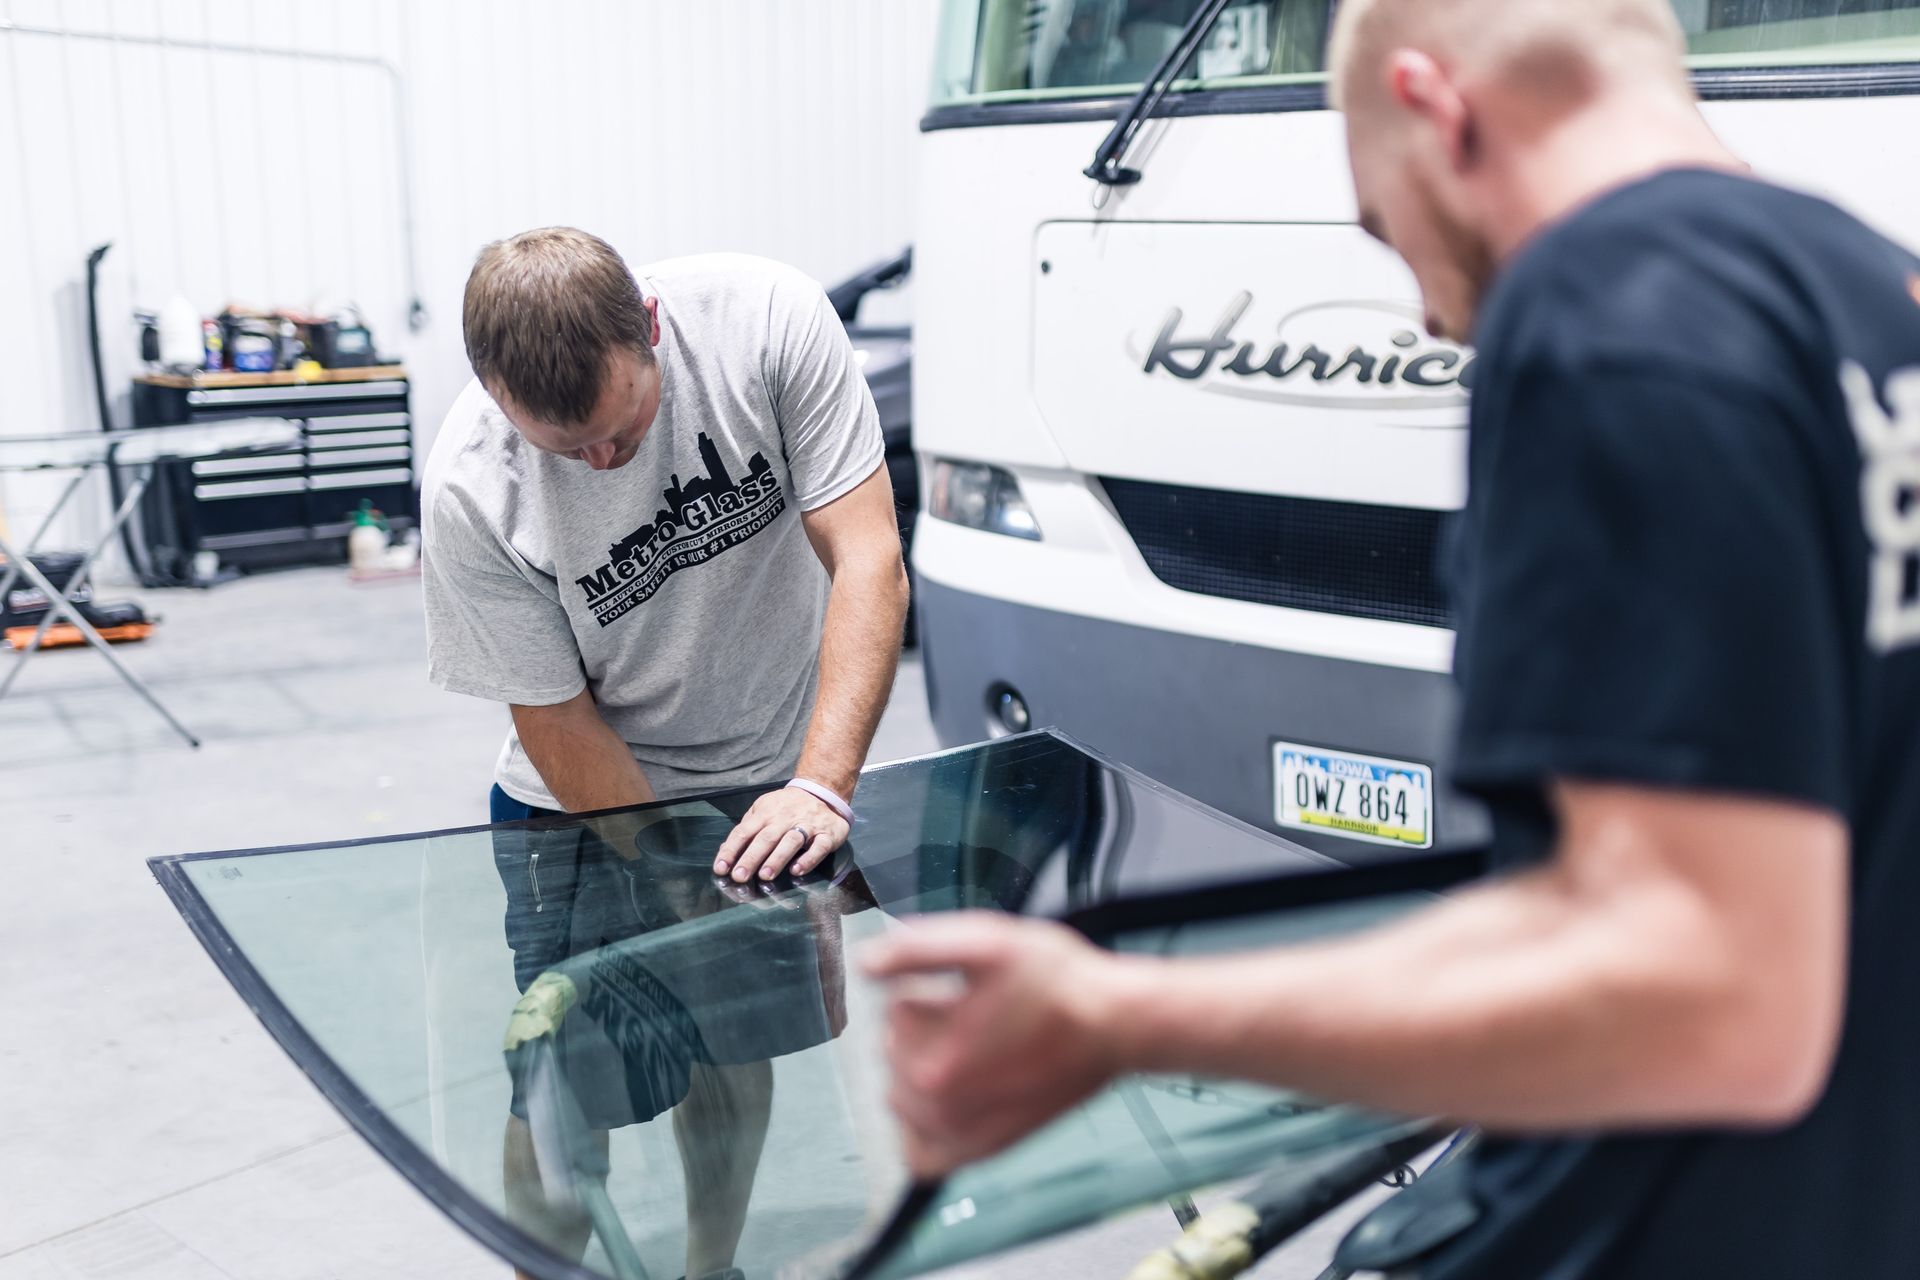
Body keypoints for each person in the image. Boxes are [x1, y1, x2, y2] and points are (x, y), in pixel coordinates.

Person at [866, 1, 1920, 1276]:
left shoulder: (1605, 323)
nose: (1427, 318)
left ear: (1436, 107)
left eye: (1387, 229)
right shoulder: (1872, 286)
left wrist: (1116, 1015)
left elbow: (1708, 992)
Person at [422, 229, 909, 1280]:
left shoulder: (766, 325)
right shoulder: (470, 487)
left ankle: (707, 1271)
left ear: (649, 326)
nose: (601, 464)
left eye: (621, 428)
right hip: (580, 805)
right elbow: (558, 720)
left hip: (770, 786)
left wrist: (820, 786)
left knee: (732, 1046)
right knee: (565, 1087)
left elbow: (868, 556)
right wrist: (676, 870)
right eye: (567, 450)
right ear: (496, 394)